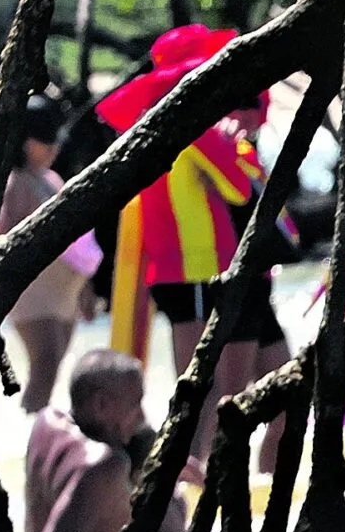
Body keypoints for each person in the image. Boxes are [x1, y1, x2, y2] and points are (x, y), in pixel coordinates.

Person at [96, 26, 262, 370]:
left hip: (165, 267)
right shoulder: (197, 126)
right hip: (200, 266)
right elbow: (240, 190)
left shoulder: (148, 123)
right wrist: (231, 147)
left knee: (191, 379)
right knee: (204, 383)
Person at [21, 349, 187, 532]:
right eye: (136, 403)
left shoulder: (47, 424)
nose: (141, 415)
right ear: (100, 405)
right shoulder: (104, 466)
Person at [0, 95, 100, 413]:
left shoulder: (50, 179)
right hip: (33, 294)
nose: (54, 148)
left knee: (52, 369)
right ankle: (35, 445)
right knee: (45, 367)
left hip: (63, 294)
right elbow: (2, 238)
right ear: (22, 140)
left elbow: (74, 243)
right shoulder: (13, 183)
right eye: (44, 140)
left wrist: (85, 288)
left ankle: (39, 439)